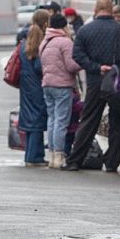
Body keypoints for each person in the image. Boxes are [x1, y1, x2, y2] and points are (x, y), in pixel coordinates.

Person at [64, 0, 120, 171]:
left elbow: (77, 55)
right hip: (119, 83)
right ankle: (112, 163)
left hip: (96, 81)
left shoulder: (85, 30)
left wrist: (96, 67)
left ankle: (75, 161)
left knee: (89, 120)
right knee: (118, 122)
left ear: (96, 10)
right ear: (111, 10)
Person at [39, 14, 82, 169]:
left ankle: (52, 155)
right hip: (62, 85)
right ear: (64, 26)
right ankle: (59, 155)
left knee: (52, 120)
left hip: (47, 84)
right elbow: (71, 66)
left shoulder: (45, 41)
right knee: (61, 122)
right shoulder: (65, 42)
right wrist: (82, 63)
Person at [18, 10, 51, 166]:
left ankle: (30, 154)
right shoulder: (40, 42)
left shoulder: (24, 42)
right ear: (45, 24)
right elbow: (38, 66)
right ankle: (34, 157)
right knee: (38, 118)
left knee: (29, 119)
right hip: (37, 84)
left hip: (25, 84)